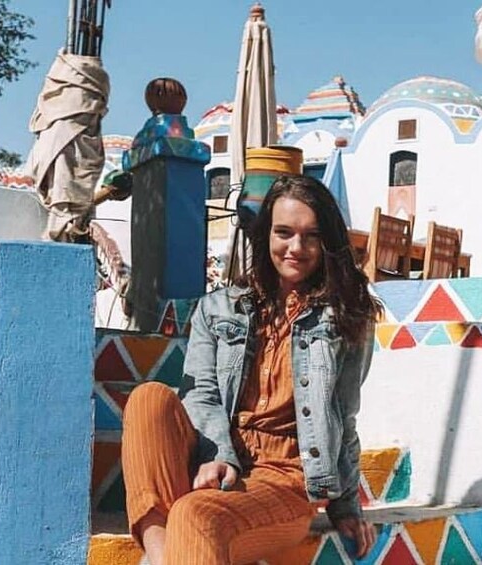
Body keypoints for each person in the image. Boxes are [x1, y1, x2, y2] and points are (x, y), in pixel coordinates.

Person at [121, 174, 382, 564]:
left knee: (196, 514)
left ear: (327, 242)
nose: (296, 247)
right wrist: (221, 455)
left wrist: (346, 507)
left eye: (311, 236)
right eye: (284, 232)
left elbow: (343, 414)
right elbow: (202, 395)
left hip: (286, 477)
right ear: (266, 236)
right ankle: (160, 554)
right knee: (148, 399)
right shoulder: (218, 309)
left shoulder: (346, 317)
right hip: (216, 459)